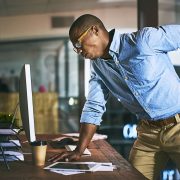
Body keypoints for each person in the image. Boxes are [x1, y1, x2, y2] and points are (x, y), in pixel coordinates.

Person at [48, 14, 180, 180]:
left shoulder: (143, 40)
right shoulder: (98, 67)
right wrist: (79, 150)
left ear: (94, 30)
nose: (79, 51)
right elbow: (94, 106)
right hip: (148, 132)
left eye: (78, 44)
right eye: (76, 48)